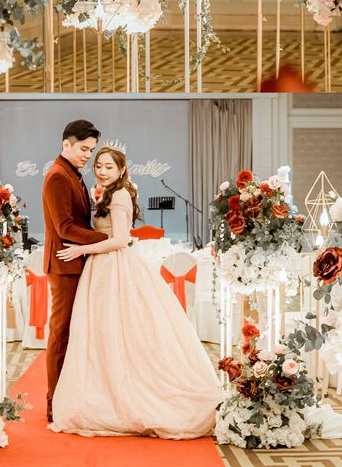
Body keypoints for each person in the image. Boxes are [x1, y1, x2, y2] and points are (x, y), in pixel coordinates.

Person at [50, 144, 220, 438]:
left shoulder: (119, 194)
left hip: (114, 266)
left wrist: (82, 250)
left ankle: (129, 392)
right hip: (101, 268)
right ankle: (106, 389)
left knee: (123, 330)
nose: (102, 171)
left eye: (109, 167)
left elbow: (119, 240)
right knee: (103, 333)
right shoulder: (106, 191)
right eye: (99, 166)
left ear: (122, 170)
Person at [41, 119, 109, 424]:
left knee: (72, 333)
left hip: (75, 263)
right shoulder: (58, 176)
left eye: (90, 150)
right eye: (83, 149)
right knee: (61, 335)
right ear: (66, 144)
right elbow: (65, 228)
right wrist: (109, 239)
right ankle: (54, 402)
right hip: (65, 266)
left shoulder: (70, 173)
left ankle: (69, 396)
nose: (87, 155)